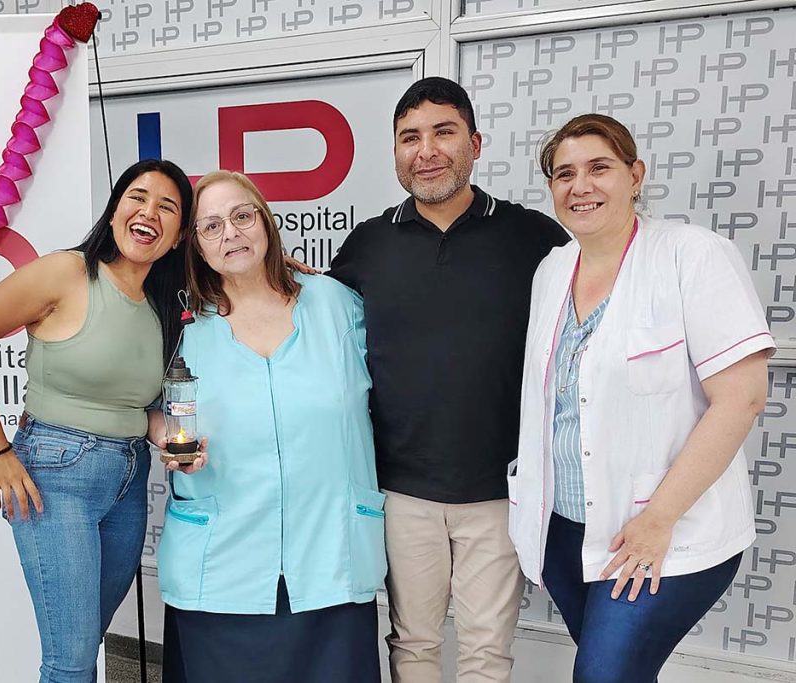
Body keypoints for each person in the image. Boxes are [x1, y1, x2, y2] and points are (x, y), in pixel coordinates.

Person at [510, 113, 773, 681]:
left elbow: (743, 398)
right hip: (565, 528)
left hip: (664, 528)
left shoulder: (692, 254)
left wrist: (658, 519)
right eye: (564, 174)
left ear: (635, 175)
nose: (580, 186)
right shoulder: (552, 270)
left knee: (603, 675)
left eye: (598, 168)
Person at [328, 77, 568, 682]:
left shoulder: (536, 238)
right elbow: (318, 335)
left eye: (443, 132)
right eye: (410, 137)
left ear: (475, 143)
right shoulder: (367, 244)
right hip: (400, 489)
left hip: (499, 488)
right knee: (412, 644)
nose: (426, 151)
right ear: (395, 151)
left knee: (488, 651)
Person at [0, 158, 193, 683]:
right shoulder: (68, 272)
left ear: (177, 237)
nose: (149, 212)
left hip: (128, 482)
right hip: (56, 477)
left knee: (82, 646)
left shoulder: (160, 306)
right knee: (72, 661)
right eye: (137, 197)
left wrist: (168, 436)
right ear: (115, 209)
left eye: (167, 207)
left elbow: (135, 408)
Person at [155, 171, 385, 683]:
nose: (231, 234)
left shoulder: (337, 304)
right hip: (221, 564)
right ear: (195, 244)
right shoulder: (179, 324)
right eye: (211, 226)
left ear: (265, 221)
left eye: (242, 216)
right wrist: (164, 437)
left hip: (330, 555)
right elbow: (142, 407)